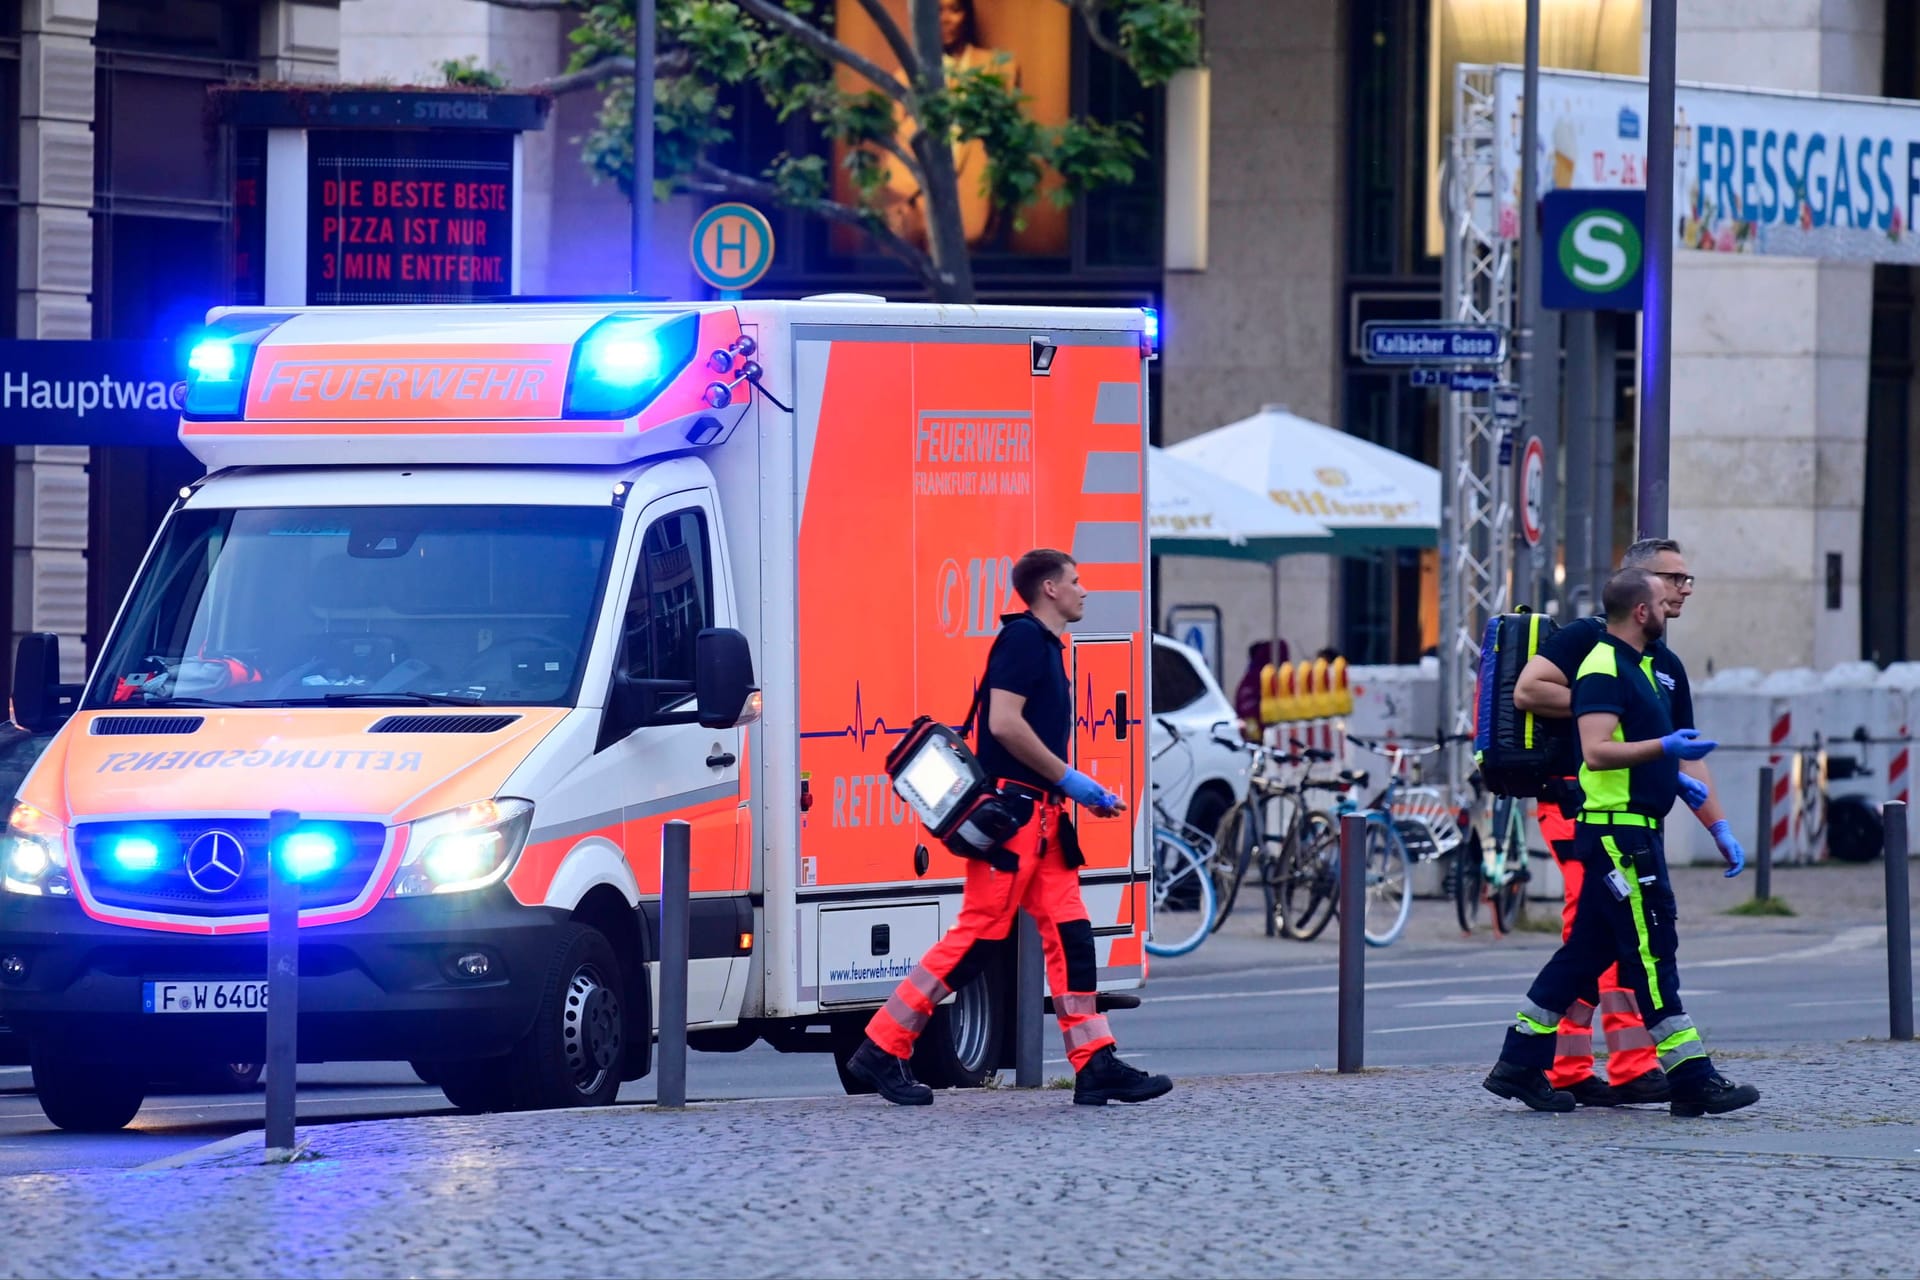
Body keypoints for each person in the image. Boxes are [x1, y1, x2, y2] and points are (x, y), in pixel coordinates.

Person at [846, 548, 1173, 1107]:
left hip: (1042, 823)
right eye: (1076, 580)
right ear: (1049, 589)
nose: (1084, 590)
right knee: (975, 940)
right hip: (1018, 819)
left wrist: (1069, 794)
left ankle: (1094, 1065)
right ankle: (881, 1045)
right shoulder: (1024, 641)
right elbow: (1003, 723)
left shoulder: (1043, 645)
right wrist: (1074, 781)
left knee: (1072, 940)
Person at [1484, 569, 1760, 1117]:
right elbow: (1597, 752)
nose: (1674, 601)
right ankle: (1691, 1076)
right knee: (1652, 949)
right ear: (1641, 611)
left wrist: (1684, 788)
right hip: (1618, 834)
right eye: (1665, 594)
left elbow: (1636, 753)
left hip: (1629, 826)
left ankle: (1517, 1061)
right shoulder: (1605, 666)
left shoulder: (1644, 668)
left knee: (1585, 955)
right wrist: (1663, 748)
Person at [878, 0, 1017, 250]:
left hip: (974, 195)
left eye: (954, 10)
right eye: (937, 11)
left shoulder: (999, 68)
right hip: (918, 196)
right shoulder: (905, 78)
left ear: (967, 14)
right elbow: (893, 150)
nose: (945, 19)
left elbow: (1010, 141)